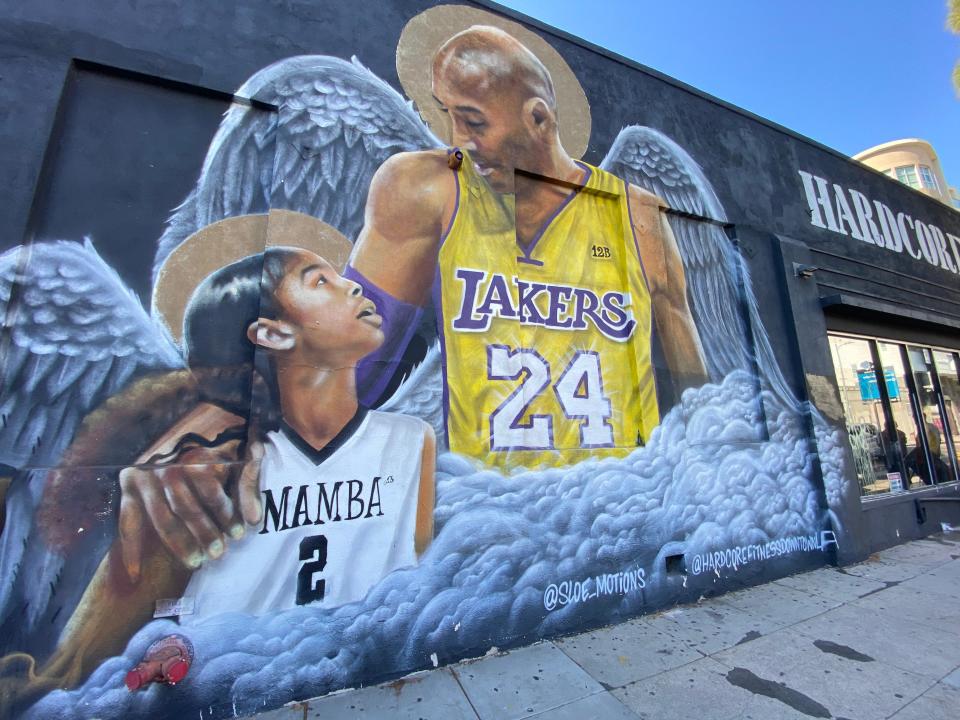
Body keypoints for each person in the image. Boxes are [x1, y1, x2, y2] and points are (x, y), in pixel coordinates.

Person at [118, 25, 707, 578]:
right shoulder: (426, 187)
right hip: (490, 523)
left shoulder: (636, 214)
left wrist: (701, 492)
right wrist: (222, 426)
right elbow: (348, 359)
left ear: (539, 118)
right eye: (448, 114)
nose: (459, 139)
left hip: (625, 514)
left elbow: (697, 394)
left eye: (473, 120)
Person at [18, 246, 435, 690]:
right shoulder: (206, 465)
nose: (353, 284)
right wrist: (168, 646)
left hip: (377, 678)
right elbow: (92, 654)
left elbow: (416, 582)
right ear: (272, 335)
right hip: (243, 687)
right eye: (319, 281)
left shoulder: (412, 439)